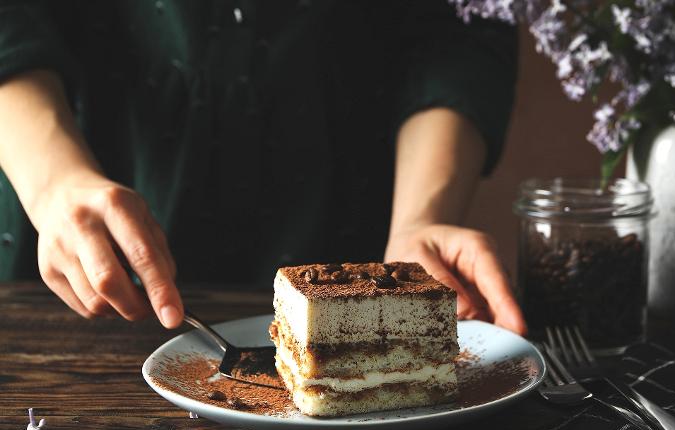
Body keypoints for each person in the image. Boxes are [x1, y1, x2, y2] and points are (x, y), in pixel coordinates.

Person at [0, 0, 526, 334]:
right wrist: (54, 181)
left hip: (354, 203)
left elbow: (461, 28)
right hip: (73, 236)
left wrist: (419, 218)